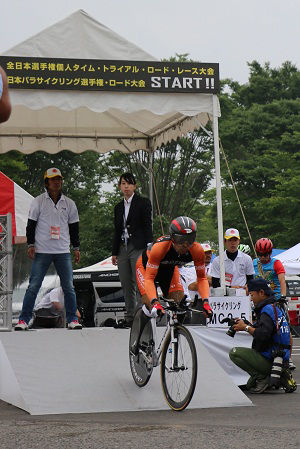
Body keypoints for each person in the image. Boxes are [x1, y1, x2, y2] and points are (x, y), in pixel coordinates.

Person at [15, 168, 82, 330]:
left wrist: (76, 248)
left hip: (63, 251)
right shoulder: (38, 201)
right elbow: (30, 226)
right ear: (46, 182)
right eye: (53, 179)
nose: (56, 182)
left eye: (58, 179)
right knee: (34, 286)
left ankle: (73, 319)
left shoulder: (69, 203)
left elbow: (74, 228)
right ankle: (24, 320)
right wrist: (30, 244)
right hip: (42, 250)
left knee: (69, 287)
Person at [135, 216, 212, 334]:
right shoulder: (160, 248)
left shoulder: (197, 250)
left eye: (190, 239)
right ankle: (139, 337)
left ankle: (173, 337)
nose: (186, 245)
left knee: (180, 304)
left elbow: (202, 278)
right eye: (181, 240)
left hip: (169, 270)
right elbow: (149, 278)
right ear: (172, 238)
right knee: (151, 305)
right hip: (146, 268)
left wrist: (206, 302)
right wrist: (155, 303)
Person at [229, 278, 296, 394]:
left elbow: (263, 335)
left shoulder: (266, 310)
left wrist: (245, 328)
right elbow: (271, 331)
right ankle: (281, 375)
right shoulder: (274, 307)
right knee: (250, 385)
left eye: (251, 294)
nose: (251, 298)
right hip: (279, 359)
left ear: (261, 293)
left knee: (235, 353)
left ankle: (264, 377)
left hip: (271, 358)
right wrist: (246, 324)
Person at [112, 172, 153, 328]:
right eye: (123, 183)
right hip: (123, 247)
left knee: (139, 282)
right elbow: (116, 230)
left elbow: (147, 224)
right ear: (119, 186)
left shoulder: (143, 203)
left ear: (135, 186)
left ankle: (140, 315)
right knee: (125, 283)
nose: (126, 186)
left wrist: (150, 245)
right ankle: (129, 316)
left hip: (138, 246)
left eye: (129, 183)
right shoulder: (118, 207)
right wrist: (114, 252)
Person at [253, 237, 295, 370]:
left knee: (284, 329)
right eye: (261, 254)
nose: (264, 257)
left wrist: (283, 296)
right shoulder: (254, 263)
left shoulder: (276, 263)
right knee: (261, 328)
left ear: (270, 253)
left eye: (266, 254)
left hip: (276, 300)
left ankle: (289, 357)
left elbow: (282, 280)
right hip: (260, 302)